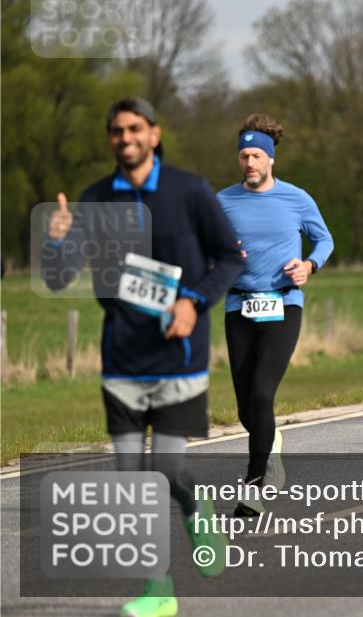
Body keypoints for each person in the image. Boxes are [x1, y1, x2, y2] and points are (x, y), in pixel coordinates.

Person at [42, 97, 244, 617]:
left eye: (134, 128)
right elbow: (58, 277)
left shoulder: (189, 190)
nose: (124, 137)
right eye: (116, 130)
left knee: (169, 468)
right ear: (110, 139)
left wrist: (194, 302)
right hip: (122, 359)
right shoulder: (94, 199)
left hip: (179, 358)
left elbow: (229, 257)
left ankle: (198, 511)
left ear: (153, 134)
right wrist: (57, 243)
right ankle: (159, 591)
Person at [217, 114, 333, 517]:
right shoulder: (223, 201)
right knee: (247, 409)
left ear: (270, 160)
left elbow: (324, 239)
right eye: (243, 156)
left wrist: (310, 266)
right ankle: (271, 444)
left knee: (264, 393)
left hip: (283, 303)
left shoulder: (296, 199)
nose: (249, 162)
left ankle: (253, 487)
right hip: (238, 305)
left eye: (255, 156)